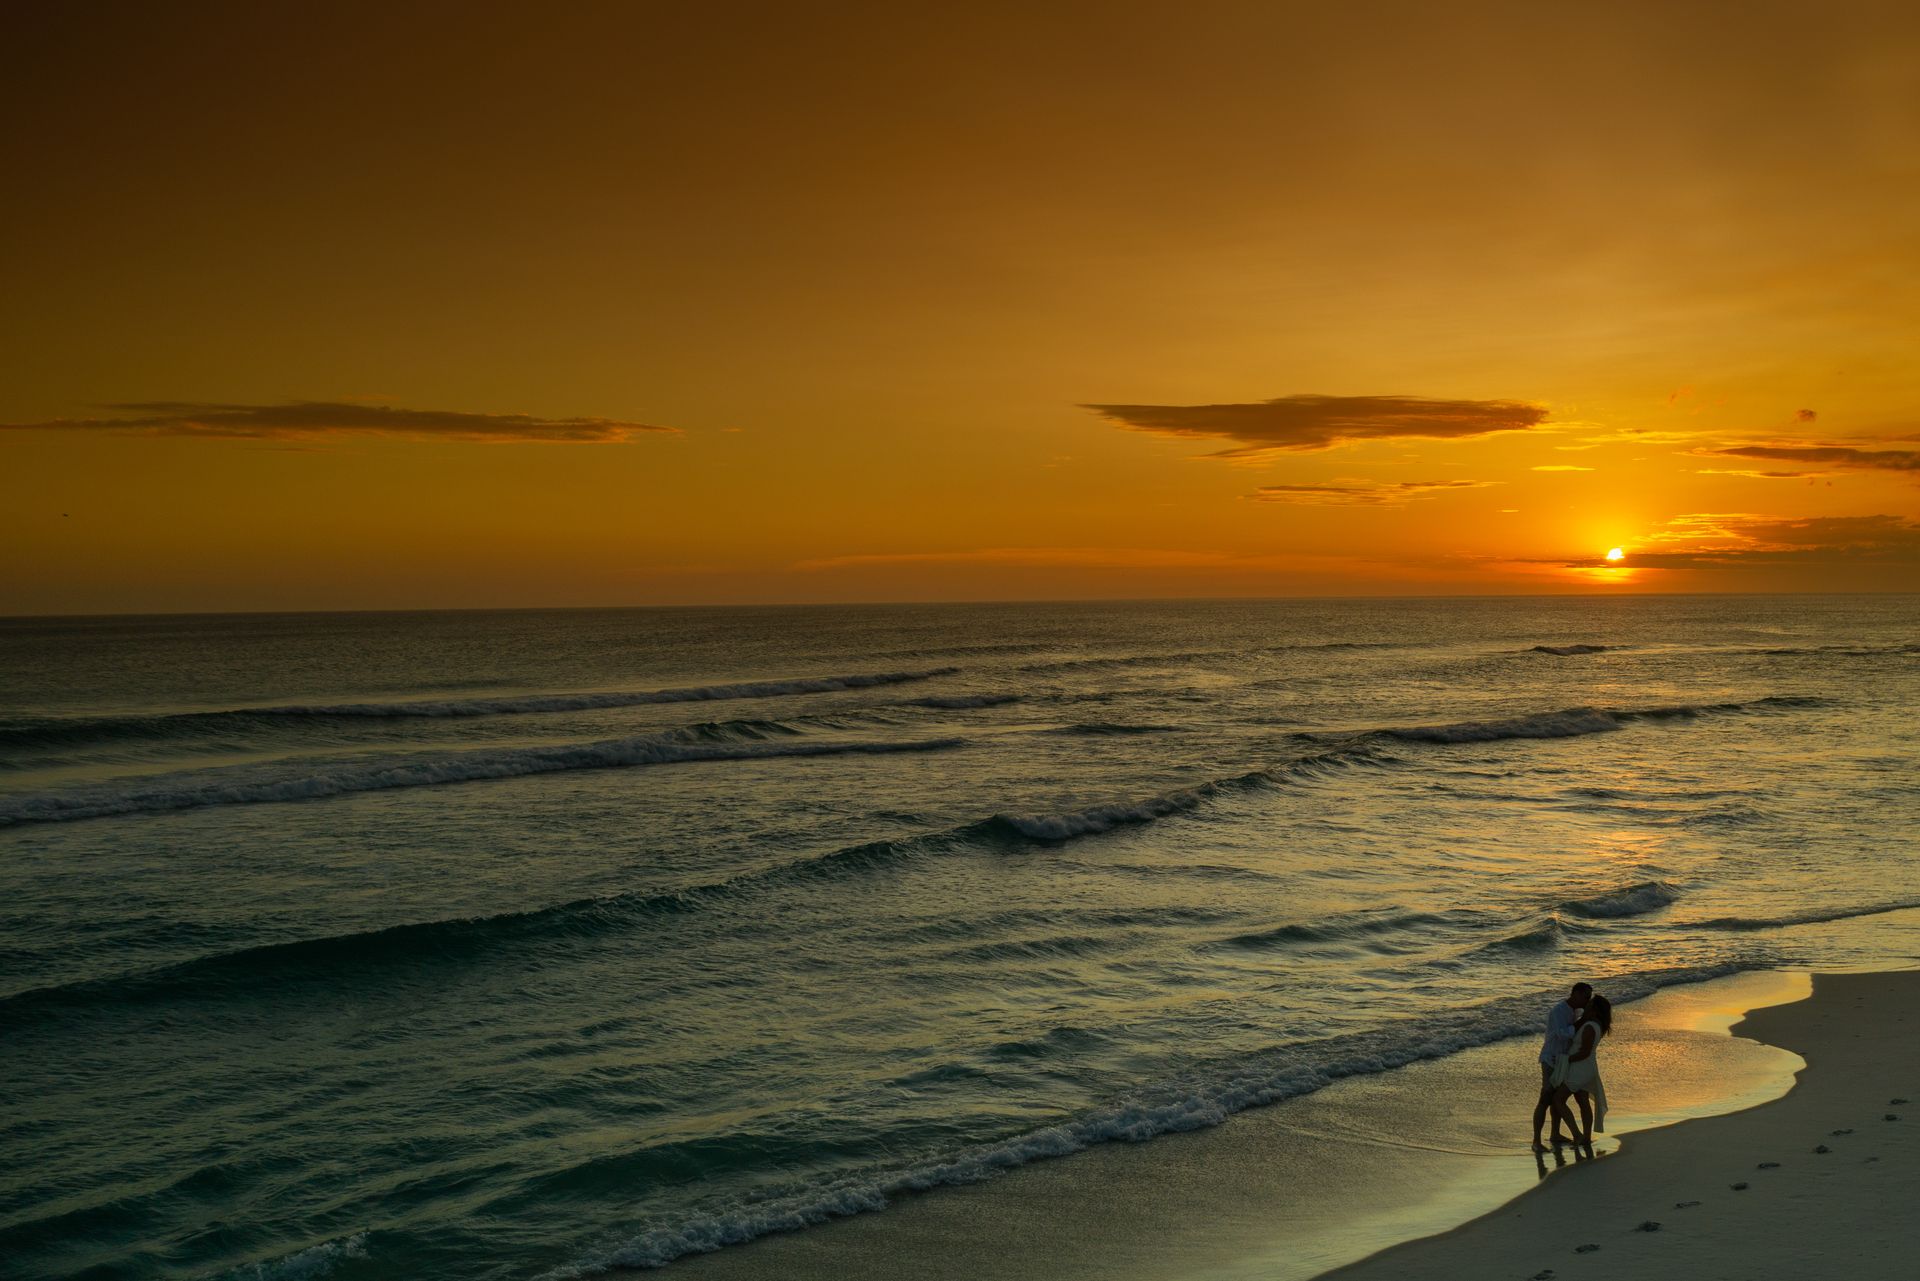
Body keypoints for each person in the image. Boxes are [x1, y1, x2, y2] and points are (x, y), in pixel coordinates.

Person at [1532, 981, 1591, 1150]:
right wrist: (1581, 1023)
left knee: (1557, 1098)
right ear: (1576, 994)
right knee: (1545, 1098)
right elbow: (1562, 1034)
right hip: (1550, 1059)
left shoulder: (1574, 1012)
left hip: (1562, 1060)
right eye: (1585, 997)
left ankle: (1555, 1133)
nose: (1587, 1001)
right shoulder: (1559, 1011)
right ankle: (1536, 1141)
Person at [1552, 995, 1612, 1143]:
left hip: (1580, 1069)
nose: (1587, 1004)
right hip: (1587, 1068)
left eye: (1590, 1003)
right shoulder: (1595, 1024)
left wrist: (1565, 1059)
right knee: (1583, 1102)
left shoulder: (1590, 1027)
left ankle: (1577, 1134)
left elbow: (1584, 1052)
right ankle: (1586, 1137)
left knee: (1557, 1099)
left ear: (1594, 1009)